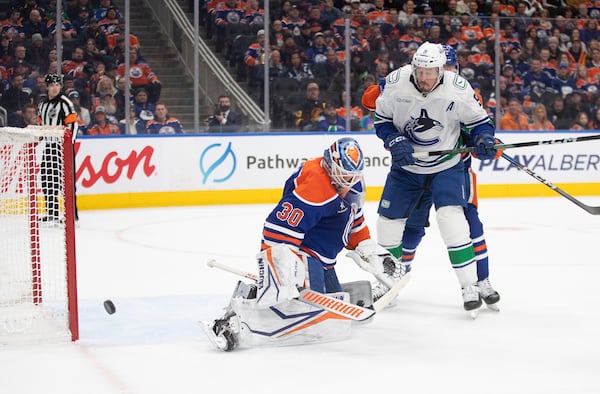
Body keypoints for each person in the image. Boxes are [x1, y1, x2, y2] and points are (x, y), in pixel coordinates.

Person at [202, 137, 403, 351]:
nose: (350, 181)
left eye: (353, 175)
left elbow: (354, 219)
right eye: (345, 175)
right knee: (312, 315)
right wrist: (283, 271)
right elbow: (276, 228)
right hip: (304, 253)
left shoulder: (352, 183)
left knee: (333, 315)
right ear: (331, 165)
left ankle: (290, 290)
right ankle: (234, 321)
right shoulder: (316, 187)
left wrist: (368, 250)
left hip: (323, 256)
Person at [362, 44, 501, 311]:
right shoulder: (396, 82)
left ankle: (471, 284)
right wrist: (394, 139)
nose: (425, 78)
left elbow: (480, 123)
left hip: (447, 166)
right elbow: (380, 119)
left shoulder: (459, 88)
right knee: (388, 224)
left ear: (442, 71)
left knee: (454, 221)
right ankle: (387, 280)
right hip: (408, 168)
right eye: (421, 71)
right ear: (414, 67)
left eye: (432, 72)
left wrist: (484, 138)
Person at [36, 73, 80, 223]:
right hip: (49, 147)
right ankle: (53, 212)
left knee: (66, 182)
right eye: (52, 85)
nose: (55, 88)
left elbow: (73, 125)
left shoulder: (65, 103)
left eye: (57, 85)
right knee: (47, 180)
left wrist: (68, 146)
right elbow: (41, 125)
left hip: (63, 148)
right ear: (47, 87)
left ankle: (72, 215)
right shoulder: (42, 105)